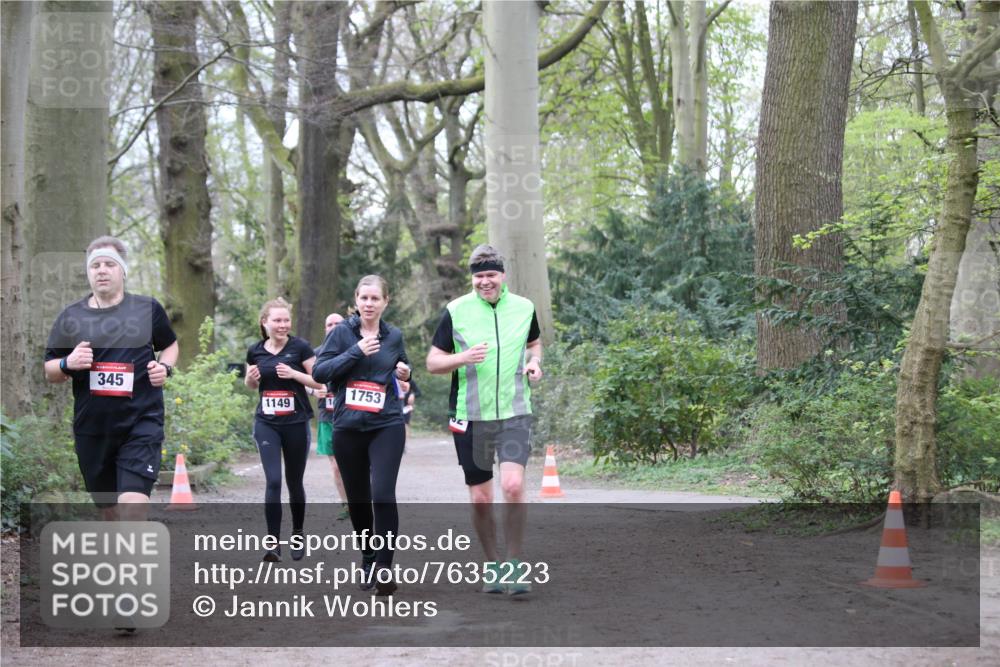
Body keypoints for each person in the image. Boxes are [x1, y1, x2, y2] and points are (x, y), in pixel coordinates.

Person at [425, 244, 542, 595]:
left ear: (502, 275)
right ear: (472, 279)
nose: (485, 282)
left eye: (491, 275)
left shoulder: (524, 308)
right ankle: (492, 564)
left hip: (514, 412)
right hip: (471, 416)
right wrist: (462, 358)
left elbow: (535, 343)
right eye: (479, 277)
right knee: (480, 498)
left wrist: (535, 362)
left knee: (513, 486)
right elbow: (432, 362)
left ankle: (516, 565)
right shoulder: (456, 311)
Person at [44, 236, 179, 521]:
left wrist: (164, 368)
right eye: (95, 265)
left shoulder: (147, 309)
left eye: (109, 264)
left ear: (123, 271)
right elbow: (50, 370)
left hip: (141, 422)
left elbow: (170, 345)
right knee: (110, 512)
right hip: (93, 428)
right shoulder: (71, 317)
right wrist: (69, 362)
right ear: (88, 272)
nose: (102, 270)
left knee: (132, 506)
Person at [313, 275, 411, 596]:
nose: (369, 304)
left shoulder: (394, 335)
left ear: (386, 302)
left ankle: (384, 567)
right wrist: (355, 351)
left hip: (386, 424)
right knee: (358, 500)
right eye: (364, 298)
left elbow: (402, 365)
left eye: (375, 299)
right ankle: (368, 556)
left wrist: (406, 372)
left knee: (382, 493)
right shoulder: (342, 333)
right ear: (356, 299)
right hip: (348, 426)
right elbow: (320, 372)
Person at [245, 297, 325, 562]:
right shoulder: (255, 350)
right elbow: (251, 385)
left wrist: (294, 375)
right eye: (277, 320)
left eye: (286, 320)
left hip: (296, 423)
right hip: (266, 423)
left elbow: (319, 381)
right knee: (273, 481)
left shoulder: (300, 347)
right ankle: (272, 544)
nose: (282, 325)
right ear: (265, 322)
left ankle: (298, 532)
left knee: (293, 482)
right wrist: (250, 378)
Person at [312, 312, 349, 519]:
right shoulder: (316, 354)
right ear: (325, 329)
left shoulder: (356, 351)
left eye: (338, 323)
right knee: (336, 466)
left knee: (358, 464)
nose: (334, 327)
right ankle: (346, 505)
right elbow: (303, 380)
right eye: (329, 324)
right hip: (328, 417)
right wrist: (314, 390)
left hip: (352, 416)